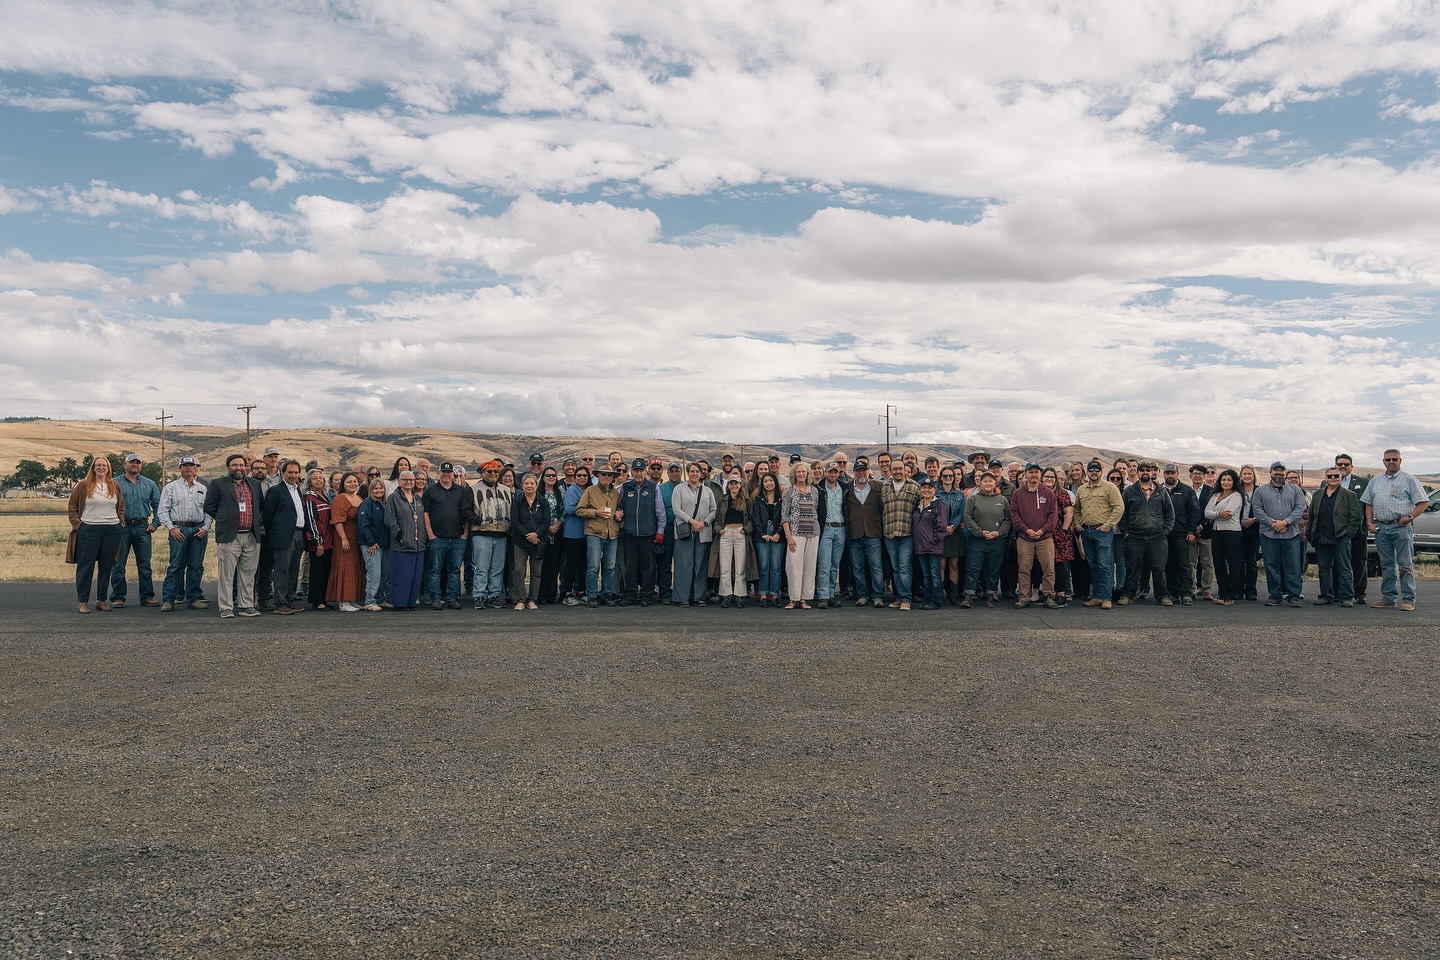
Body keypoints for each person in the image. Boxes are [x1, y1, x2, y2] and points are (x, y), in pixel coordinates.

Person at [1361, 448, 1430, 612]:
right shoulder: (1376, 480)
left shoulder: (1409, 480)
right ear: (1383, 461)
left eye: (1394, 459)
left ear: (1400, 460)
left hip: (1400, 527)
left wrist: (1410, 517)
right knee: (1386, 564)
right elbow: (1368, 502)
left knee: (1405, 564)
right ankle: (1389, 598)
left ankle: (1408, 599)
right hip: (1381, 528)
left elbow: (1423, 502)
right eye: (1388, 459)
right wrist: (1370, 523)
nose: (1391, 462)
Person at [205, 452, 265, 618]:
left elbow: (260, 506)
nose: (238, 468)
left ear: (246, 467)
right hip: (230, 536)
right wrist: (225, 519)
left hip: (251, 535)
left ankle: (246, 606)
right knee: (226, 574)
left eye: (241, 465)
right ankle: (226, 607)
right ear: (228, 467)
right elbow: (209, 506)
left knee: (248, 573)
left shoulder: (254, 484)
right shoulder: (218, 484)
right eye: (234, 465)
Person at [67, 454, 125, 614]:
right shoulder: (83, 486)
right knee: (86, 567)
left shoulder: (114, 486)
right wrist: (79, 526)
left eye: (104, 466)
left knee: (106, 567)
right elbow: (72, 507)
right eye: (98, 465)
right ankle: (83, 602)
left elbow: (121, 506)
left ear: (108, 469)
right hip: (89, 530)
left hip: (111, 530)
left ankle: (101, 600)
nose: (101, 468)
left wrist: (121, 523)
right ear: (93, 468)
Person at [157, 456, 211, 612]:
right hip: (179, 530)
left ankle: (193, 598)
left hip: (198, 530)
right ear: (179, 468)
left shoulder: (202, 488)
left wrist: (206, 527)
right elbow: (163, 510)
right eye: (185, 465)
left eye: (191, 465)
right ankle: (169, 599)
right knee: (176, 565)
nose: (188, 468)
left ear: (196, 468)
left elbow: (208, 511)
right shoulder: (171, 488)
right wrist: (171, 528)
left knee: (196, 565)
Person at [1250, 461, 1306, 607]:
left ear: (1285, 473)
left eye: (1281, 471)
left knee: (1293, 566)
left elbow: (1299, 509)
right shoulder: (1260, 491)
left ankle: (1294, 596)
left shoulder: (1296, 490)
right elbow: (1257, 510)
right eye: (1276, 471)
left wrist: (1285, 522)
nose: (1279, 473)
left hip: (1291, 534)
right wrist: (1272, 523)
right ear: (1270, 473)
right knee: (1271, 565)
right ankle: (1275, 595)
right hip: (1269, 535)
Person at [1117, 461, 1174, 605]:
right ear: (1138, 472)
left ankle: (1162, 595)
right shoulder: (1129, 491)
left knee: (1159, 568)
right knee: (1132, 567)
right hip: (1135, 536)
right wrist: (1125, 532)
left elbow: (1169, 513)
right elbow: (1122, 513)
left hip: (1157, 536)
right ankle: (1127, 594)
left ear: (1152, 472)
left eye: (1148, 470)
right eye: (1141, 470)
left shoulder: (1161, 491)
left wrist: (1165, 531)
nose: (1145, 472)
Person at [110, 452, 161, 608]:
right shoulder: (114, 483)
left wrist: (155, 523)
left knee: (145, 564)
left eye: (138, 462)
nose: (135, 465)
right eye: (131, 462)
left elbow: (158, 505)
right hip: (121, 528)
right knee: (118, 564)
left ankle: (147, 596)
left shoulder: (150, 484)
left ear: (141, 465)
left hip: (143, 528)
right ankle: (118, 597)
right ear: (125, 464)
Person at [1073, 460, 1124, 610]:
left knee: (1105, 565)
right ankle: (1097, 596)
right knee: (1093, 565)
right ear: (1087, 472)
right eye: (1091, 470)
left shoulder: (1110, 487)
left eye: (1096, 470)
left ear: (1101, 471)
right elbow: (1076, 509)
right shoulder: (1082, 490)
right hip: (1086, 531)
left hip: (1102, 532)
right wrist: (1077, 524)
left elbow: (1119, 507)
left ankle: (1107, 598)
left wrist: (1108, 525)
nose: (1094, 472)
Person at [1309, 466, 1362, 607]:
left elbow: (1356, 517)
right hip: (1321, 537)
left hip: (1340, 537)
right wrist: (1310, 534)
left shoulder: (1349, 495)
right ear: (1325, 478)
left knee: (1344, 568)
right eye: (1330, 476)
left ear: (1341, 478)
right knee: (1324, 568)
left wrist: (1348, 534)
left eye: (1336, 476)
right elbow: (1312, 516)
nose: (1333, 479)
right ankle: (1326, 596)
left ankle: (1347, 597)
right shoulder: (1317, 495)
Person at [1009, 463, 1059, 608]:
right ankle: (1024, 596)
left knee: (1049, 568)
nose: (1034, 475)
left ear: (1040, 474)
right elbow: (1014, 514)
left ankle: (1049, 596)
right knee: (1024, 568)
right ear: (1025, 474)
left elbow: (1053, 515)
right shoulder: (1018, 493)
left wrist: (1043, 530)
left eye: (1036, 472)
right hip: (1025, 538)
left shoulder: (1048, 493)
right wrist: (1026, 530)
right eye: (1031, 472)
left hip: (1045, 538)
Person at [617, 457, 666, 606]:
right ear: (631, 472)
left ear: (645, 472)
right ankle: (630, 595)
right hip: (630, 534)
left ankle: (646, 596)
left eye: (641, 471)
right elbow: (618, 506)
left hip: (648, 534)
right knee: (630, 567)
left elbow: (660, 512)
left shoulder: (653, 488)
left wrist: (660, 531)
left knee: (648, 567)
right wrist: (618, 513)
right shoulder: (625, 488)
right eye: (635, 471)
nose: (638, 474)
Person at [422, 462, 469, 610]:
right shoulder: (430, 491)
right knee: (435, 569)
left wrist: (465, 534)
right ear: (439, 473)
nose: (446, 475)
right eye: (444, 472)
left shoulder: (461, 491)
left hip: (458, 538)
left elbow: (467, 513)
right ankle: (436, 598)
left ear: (454, 475)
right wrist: (430, 534)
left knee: (454, 570)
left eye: (449, 472)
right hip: (437, 538)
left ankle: (452, 598)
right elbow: (425, 514)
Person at [261, 459, 306, 615]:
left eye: (296, 472)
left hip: (299, 534)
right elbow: (267, 515)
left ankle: (289, 600)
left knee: (294, 570)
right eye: (290, 472)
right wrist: (276, 533)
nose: (293, 475)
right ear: (283, 473)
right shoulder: (276, 491)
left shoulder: (298, 490)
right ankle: (280, 604)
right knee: (282, 569)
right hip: (283, 536)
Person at [467, 460, 511, 610]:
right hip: (482, 533)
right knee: (481, 567)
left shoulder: (506, 490)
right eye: (489, 471)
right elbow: (465, 511)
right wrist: (478, 520)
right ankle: (479, 595)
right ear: (482, 473)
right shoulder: (473, 489)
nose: (493, 474)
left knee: (497, 567)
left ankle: (494, 595)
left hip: (502, 534)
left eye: (495, 471)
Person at [961, 472, 1010, 608]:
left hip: (997, 540)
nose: (988, 483)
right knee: (973, 568)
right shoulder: (973, 499)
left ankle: (990, 595)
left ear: (995, 484)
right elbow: (967, 517)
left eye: (990, 481)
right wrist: (979, 532)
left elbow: (1007, 519)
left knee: (993, 569)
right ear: (980, 484)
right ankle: (969, 596)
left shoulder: (1002, 500)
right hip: (977, 540)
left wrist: (998, 532)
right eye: (985, 481)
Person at [671, 464, 717, 606]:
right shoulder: (679, 489)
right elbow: (676, 509)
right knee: (684, 565)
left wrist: (703, 523)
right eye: (692, 471)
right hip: (685, 532)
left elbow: (714, 510)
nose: (695, 474)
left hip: (703, 532)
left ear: (701, 474)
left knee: (700, 565)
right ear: (688, 473)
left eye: (697, 471)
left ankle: (699, 597)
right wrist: (692, 522)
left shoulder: (708, 491)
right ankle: (683, 597)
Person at [576, 465, 622, 607]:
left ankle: (606, 594)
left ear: (613, 477)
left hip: (612, 533)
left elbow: (618, 509)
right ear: (598, 476)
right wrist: (596, 512)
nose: (606, 477)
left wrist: (618, 514)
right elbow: (579, 510)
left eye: (609, 474)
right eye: (603, 474)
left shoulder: (616, 493)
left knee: (610, 567)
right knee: (593, 566)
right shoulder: (590, 491)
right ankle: (592, 595)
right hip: (594, 533)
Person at [844, 461, 886, 608]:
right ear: (854, 472)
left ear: (868, 471)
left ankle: (878, 596)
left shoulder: (878, 486)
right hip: (854, 533)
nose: (861, 473)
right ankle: (862, 595)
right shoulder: (847, 487)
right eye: (858, 471)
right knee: (857, 567)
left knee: (876, 567)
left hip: (873, 532)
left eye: (863, 470)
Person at [880, 458, 920, 610]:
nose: (897, 471)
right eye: (894, 469)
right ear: (890, 471)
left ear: (905, 470)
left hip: (907, 534)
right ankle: (899, 597)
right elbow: (881, 509)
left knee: (904, 567)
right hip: (889, 534)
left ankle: (906, 599)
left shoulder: (914, 487)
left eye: (900, 469)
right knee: (895, 568)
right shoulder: (885, 488)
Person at [384, 471, 427, 610]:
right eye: (405, 479)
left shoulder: (417, 498)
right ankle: (400, 603)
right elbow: (390, 519)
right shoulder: (394, 498)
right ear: (400, 481)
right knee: (402, 576)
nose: (408, 482)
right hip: (402, 544)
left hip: (418, 545)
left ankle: (410, 602)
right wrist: (400, 536)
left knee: (415, 576)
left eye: (411, 479)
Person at [782, 463, 820, 610]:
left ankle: (805, 598)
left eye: (804, 471)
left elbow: (816, 510)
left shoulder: (815, 491)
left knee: (809, 568)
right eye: (798, 472)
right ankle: (793, 599)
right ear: (794, 474)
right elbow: (785, 516)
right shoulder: (789, 491)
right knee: (793, 567)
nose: (801, 474)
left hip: (813, 534)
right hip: (795, 534)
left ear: (807, 474)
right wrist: (789, 536)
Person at [510, 474, 551, 610]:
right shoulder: (517, 501)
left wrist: (536, 534)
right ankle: (521, 600)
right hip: (521, 541)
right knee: (519, 571)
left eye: (532, 484)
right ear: (522, 486)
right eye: (526, 484)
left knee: (536, 572)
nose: (529, 486)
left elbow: (546, 522)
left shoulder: (543, 502)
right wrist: (528, 535)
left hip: (539, 541)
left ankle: (533, 600)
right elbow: (515, 522)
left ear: (536, 485)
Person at [1333, 453, 1370, 603]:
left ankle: (1359, 593)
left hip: (1357, 528)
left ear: (1351, 466)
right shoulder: (1329, 481)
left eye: (1346, 464)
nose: (1342, 467)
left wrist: (1368, 523)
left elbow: (1368, 504)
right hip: (1336, 530)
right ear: (1335, 465)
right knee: (1337, 561)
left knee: (1359, 560)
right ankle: (1337, 592)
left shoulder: (1363, 482)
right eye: (1339, 464)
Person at [327, 472, 366, 612]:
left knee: (356, 567)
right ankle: (343, 601)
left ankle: (352, 598)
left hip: (357, 538)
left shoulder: (359, 498)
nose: (353, 484)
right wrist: (343, 538)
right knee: (345, 566)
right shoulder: (340, 498)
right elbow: (337, 520)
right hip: (345, 536)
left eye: (355, 482)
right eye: (349, 482)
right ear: (343, 483)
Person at [1161, 463, 1199, 605]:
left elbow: (1195, 512)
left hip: (1181, 533)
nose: (1170, 476)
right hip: (1164, 534)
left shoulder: (1187, 491)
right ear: (1164, 474)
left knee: (1183, 564)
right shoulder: (1159, 490)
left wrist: (1191, 531)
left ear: (1177, 474)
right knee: (1168, 564)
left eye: (1172, 473)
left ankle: (1186, 593)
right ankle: (1173, 593)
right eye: (1167, 473)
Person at [814, 462, 849, 608]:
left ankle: (831, 594)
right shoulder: (818, 488)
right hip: (826, 529)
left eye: (835, 472)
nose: (833, 475)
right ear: (825, 472)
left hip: (840, 528)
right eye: (830, 472)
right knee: (824, 564)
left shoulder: (844, 488)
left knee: (835, 565)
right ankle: (822, 596)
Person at [714, 475, 752, 608]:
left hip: (740, 533)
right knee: (725, 567)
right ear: (728, 485)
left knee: (740, 568)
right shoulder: (722, 500)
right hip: (726, 534)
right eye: (731, 484)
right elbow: (717, 519)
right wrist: (719, 530)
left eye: (736, 484)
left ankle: (740, 595)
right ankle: (726, 595)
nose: (734, 486)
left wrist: (746, 529)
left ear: (740, 485)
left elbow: (752, 519)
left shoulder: (746, 501)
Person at [912, 478, 948, 610]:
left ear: (934, 489)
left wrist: (934, 541)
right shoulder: (918, 505)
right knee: (926, 575)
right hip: (920, 546)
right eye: (924, 488)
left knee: (935, 574)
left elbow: (942, 527)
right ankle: (927, 599)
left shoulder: (939, 505)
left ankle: (936, 601)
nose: (926, 490)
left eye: (929, 488)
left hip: (933, 546)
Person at [1040, 467, 1073, 605]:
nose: (1049, 479)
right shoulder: (1038, 493)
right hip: (1042, 532)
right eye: (1046, 476)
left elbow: (1069, 512)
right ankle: (1048, 593)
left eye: (1052, 477)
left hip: (1059, 532)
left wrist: (1064, 530)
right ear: (1042, 478)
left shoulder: (1061, 493)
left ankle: (1061, 593)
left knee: (1060, 564)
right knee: (1046, 564)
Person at [751, 473, 785, 607]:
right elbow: (755, 518)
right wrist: (762, 533)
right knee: (763, 565)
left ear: (775, 482)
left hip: (778, 534)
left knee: (776, 566)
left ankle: (775, 594)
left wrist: (778, 533)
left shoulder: (782, 499)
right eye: (765, 481)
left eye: (771, 480)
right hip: (762, 535)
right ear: (762, 484)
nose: (768, 483)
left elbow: (785, 517)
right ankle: (763, 595)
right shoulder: (758, 499)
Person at [559, 466, 592, 604]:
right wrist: (588, 509)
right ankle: (567, 593)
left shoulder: (590, 490)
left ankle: (581, 591)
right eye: (579, 475)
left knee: (584, 564)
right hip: (573, 532)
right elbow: (570, 509)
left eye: (585, 475)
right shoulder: (572, 490)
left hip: (587, 532)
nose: (582, 477)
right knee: (571, 564)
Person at [302, 469, 333, 610]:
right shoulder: (309, 497)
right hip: (318, 543)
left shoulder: (324, 496)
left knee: (325, 570)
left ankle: (324, 600)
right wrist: (318, 542)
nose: (319, 480)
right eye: (315, 478)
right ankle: (317, 600)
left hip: (328, 542)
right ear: (309, 482)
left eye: (321, 478)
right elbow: (311, 520)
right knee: (317, 572)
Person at [358, 478, 390, 611]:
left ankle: (380, 599)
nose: (379, 491)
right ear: (371, 490)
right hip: (371, 545)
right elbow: (363, 525)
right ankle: (370, 601)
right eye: (376, 488)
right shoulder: (367, 504)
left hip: (384, 544)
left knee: (384, 574)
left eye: (381, 488)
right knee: (374, 573)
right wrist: (371, 542)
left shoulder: (384, 504)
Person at [935, 466, 966, 605]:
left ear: (954, 478)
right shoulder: (936, 494)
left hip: (955, 532)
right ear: (941, 477)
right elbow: (933, 513)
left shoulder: (960, 495)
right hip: (939, 531)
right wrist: (943, 527)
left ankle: (953, 593)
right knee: (941, 564)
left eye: (950, 476)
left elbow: (962, 513)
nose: (948, 478)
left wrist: (953, 525)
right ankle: (940, 593)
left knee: (954, 564)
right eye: (945, 476)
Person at [537, 467, 566, 604]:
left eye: (553, 475)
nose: (551, 478)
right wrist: (547, 527)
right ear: (543, 478)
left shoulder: (560, 493)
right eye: (548, 475)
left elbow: (564, 512)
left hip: (557, 532)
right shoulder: (538, 493)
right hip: (542, 532)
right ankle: (541, 595)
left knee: (554, 565)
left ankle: (552, 594)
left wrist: (556, 526)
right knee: (543, 565)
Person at [1187, 465, 1215, 600]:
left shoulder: (1211, 491)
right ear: (1190, 476)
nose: (1197, 476)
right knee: (1190, 562)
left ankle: (1206, 590)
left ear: (1204, 476)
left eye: (1200, 474)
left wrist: (1202, 526)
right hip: (1190, 533)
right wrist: (1192, 529)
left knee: (1207, 562)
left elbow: (1212, 511)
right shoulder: (1186, 491)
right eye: (1195, 473)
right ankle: (1190, 589)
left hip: (1206, 531)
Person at [1237, 465, 1262, 601]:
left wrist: (1254, 519)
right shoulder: (1236, 491)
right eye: (1244, 473)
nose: (1247, 476)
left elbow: (1265, 509)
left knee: (1252, 562)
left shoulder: (1260, 491)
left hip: (1254, 530)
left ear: (1254, 476)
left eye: (1249, 473)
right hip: (1238, 530)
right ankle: (1238, 590)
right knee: (1239, 562)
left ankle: (1251, 591)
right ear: (1240, 476)